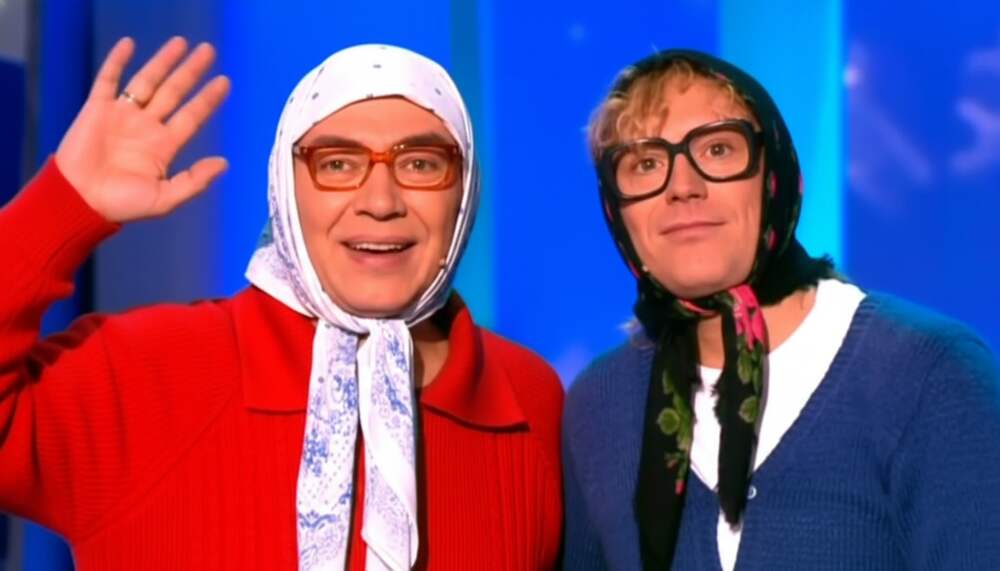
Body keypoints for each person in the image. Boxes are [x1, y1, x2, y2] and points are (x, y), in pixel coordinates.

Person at [0, 37, 563, 570]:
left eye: (420, 163)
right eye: (337, 164)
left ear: (464, 191)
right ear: (284, 190)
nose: (380, 201)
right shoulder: (144, 371)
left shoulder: (527, 398)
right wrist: (60, 206)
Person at [562, 49, 1000, 570]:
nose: (682, 187)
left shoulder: (929, 374)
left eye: (718, 149)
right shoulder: (600, 405)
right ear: (616, 209)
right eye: (646, 164)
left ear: (777, 176)